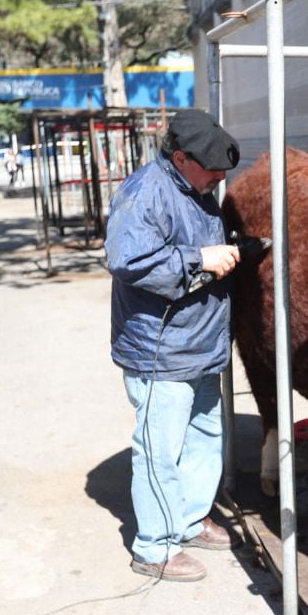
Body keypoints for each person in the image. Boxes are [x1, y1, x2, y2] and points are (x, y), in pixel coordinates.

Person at [105, 109, 242, 582]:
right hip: (160, 349)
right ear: (180, 158)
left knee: (205, 436)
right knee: (159, 449)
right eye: (212, 168)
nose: (221, 177)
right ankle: (154, 547)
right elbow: (128, 261)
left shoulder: (196, 189)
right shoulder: (146, 192)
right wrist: (198, 258)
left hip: (199, 345)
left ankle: (187, 520)